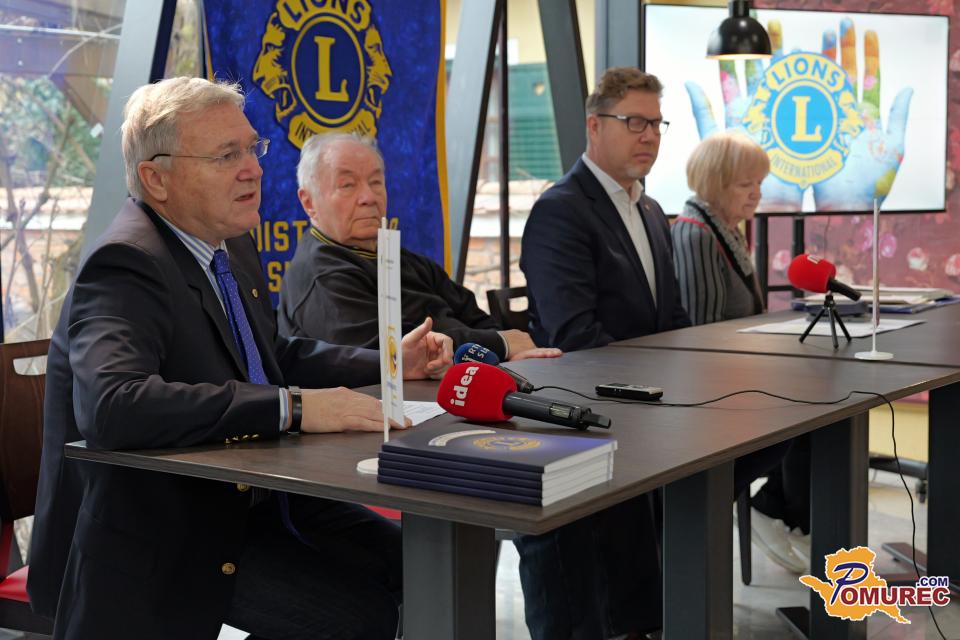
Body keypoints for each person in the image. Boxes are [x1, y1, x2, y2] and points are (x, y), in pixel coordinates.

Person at [28, 77, 452, 640]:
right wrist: (293, 408)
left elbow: (270, 356)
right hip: (166, 531)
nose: (253, 169)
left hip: (254, 500)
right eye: (226, 155)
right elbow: (114, 406)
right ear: (157, 179)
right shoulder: (125, 264)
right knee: (360, 618)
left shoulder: (230, 243)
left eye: (252, 149)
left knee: (421, 566)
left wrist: (387, 364)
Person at [519, 68, 784, 640]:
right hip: (590, 411)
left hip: (653, 404)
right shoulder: (561, 210)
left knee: (772, 425)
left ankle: (663, 613)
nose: (649, 136)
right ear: (594, 126)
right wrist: (667, 390)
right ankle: (644, 616)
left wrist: (701, 379)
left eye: (657, 124)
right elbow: (574, 337)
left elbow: (674, 323)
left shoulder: (649, 211)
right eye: (634, 122)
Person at [279, 132, 560, 362]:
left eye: (376, 182)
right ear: (309, 202)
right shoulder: (320, 275)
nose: (369, 197)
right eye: (348, 185)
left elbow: (474, 316)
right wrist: (501, 345)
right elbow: (394, 355)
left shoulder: (401, 259)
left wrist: (507, 352)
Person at [673, 131, 810, 573]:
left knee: (822, 409)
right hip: (713, 394)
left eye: (759, 183)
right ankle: (776, 509)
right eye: (744, 184)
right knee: (809, 413)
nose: (757, 193)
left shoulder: (726, 230)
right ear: (715, 184)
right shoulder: (696, 234)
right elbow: (704, 336)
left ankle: (784, 510)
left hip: (740, 375)